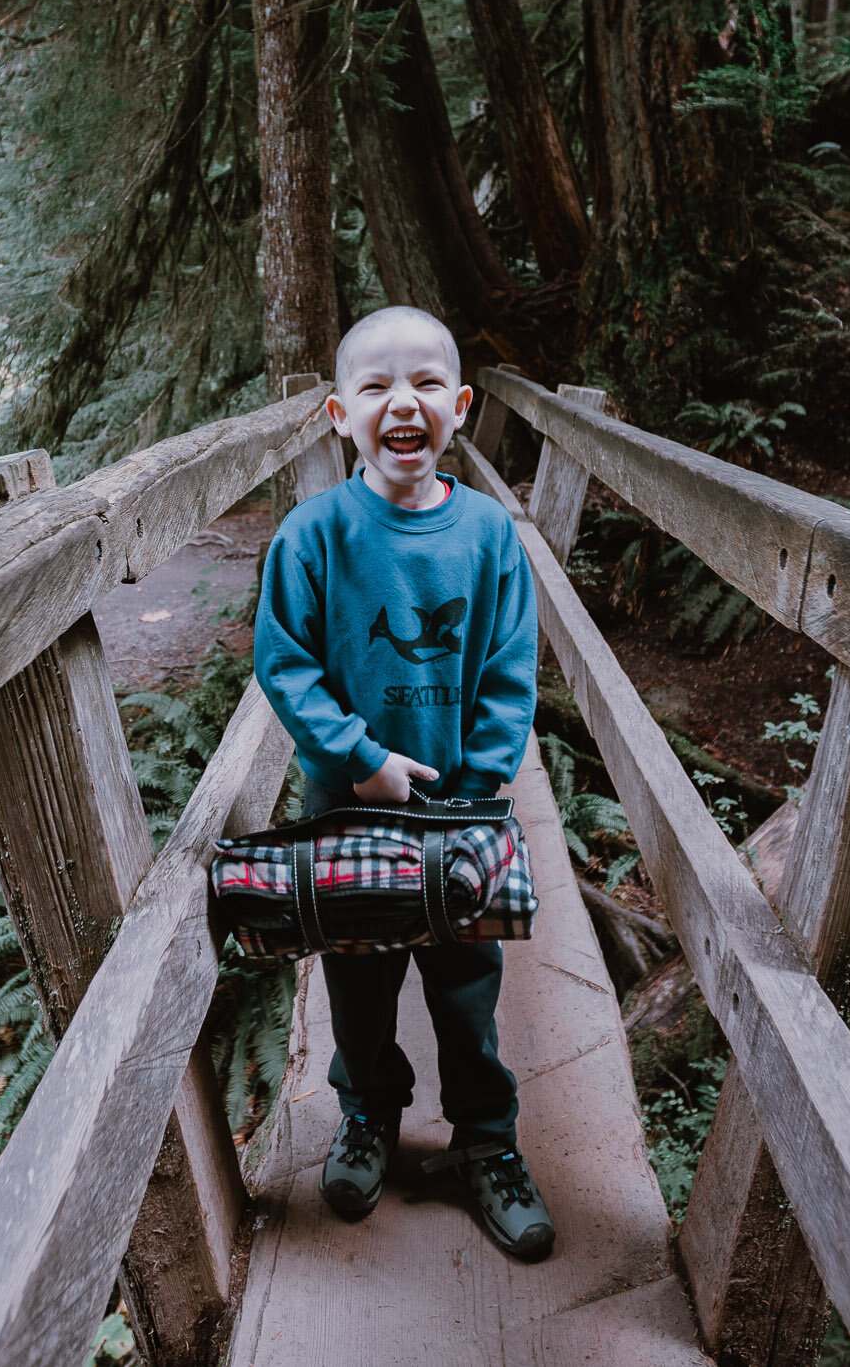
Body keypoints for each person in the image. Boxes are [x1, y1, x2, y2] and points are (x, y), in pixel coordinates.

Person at [252, 305, 553, 1261]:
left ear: (459, 406)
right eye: (376, 386)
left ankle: (486, 1142)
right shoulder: (314, 536)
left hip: (461, 819)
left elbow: (511, 670)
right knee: (360, 982)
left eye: (424, 382)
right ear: (340, 414)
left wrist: (484, 779)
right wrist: (362, 756)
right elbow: (284, 661)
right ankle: (369, 1113)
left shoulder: (490, 538)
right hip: (346, 813)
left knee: (467, 987)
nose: (402, 402)